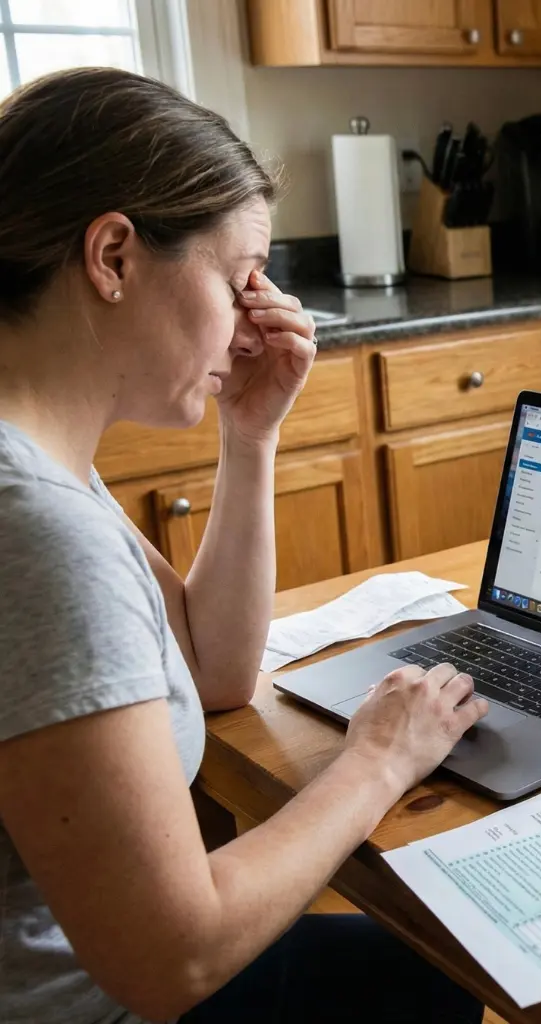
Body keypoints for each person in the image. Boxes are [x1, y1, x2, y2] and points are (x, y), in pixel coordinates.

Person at [0, 69, 491, 1022]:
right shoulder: (37, 532)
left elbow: (215, 671)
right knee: (445, 958)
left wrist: (251, 432)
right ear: (112, 256)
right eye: (238, 281)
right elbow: (173, 961)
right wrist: (380, 760)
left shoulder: (42, 458)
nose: (257, 317)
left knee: (430, 965)